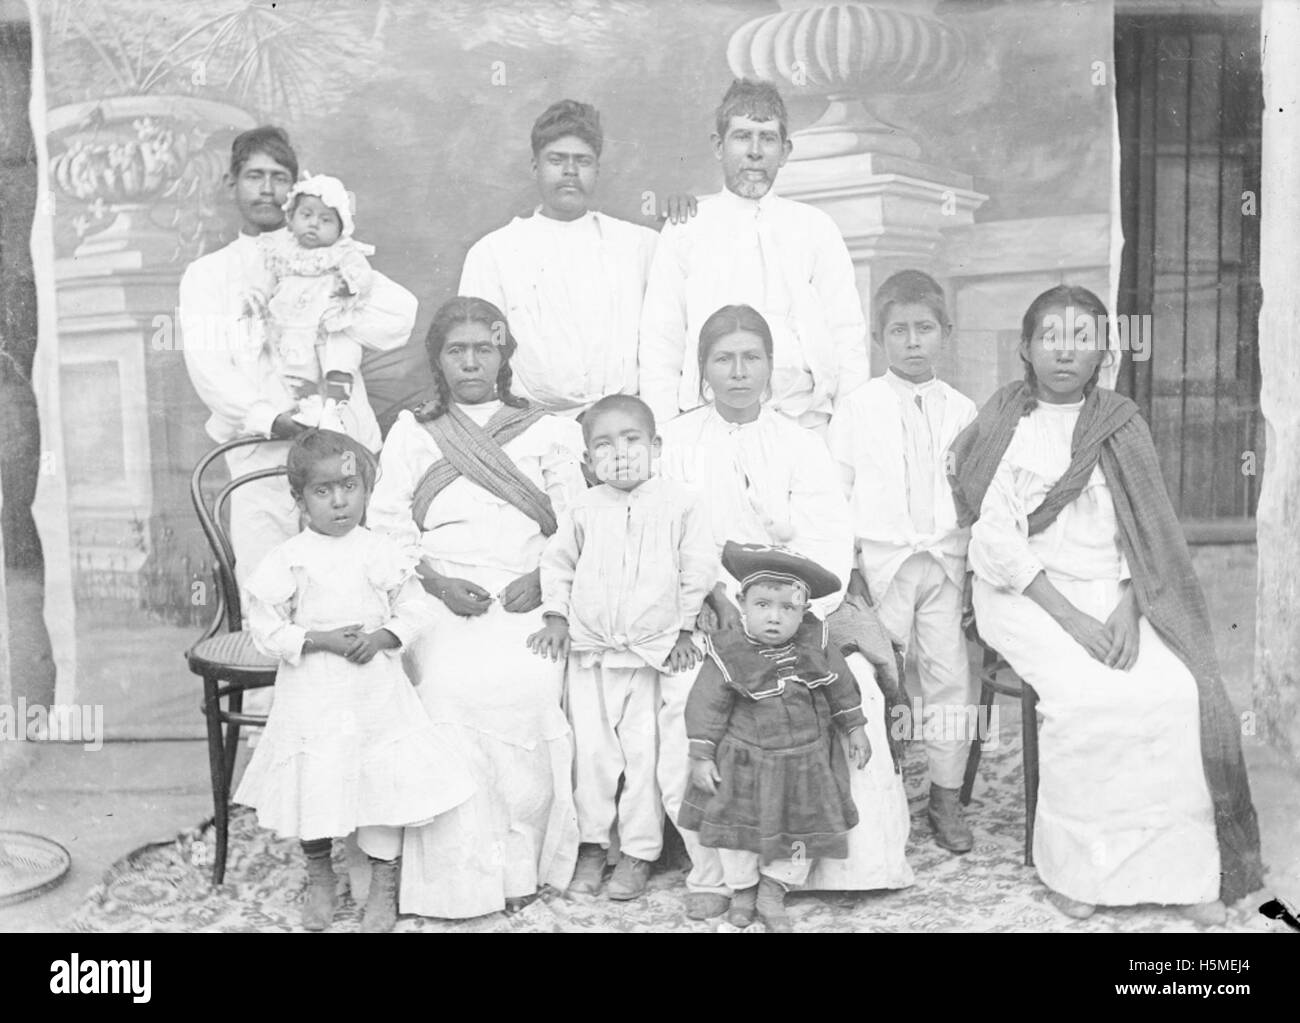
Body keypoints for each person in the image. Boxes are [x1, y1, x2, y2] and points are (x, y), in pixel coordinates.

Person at [951, 284, 1263, 923]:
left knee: (1178, 694)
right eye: (1051, 337)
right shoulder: (1003, 420)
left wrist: (1129, 604)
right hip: (1023, 592)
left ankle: (1182, 876)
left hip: (1116, 588)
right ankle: (1079, 873)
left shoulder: (1121, 420)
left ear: (1103, 353)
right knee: (1091, 699)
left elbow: (1141, 529)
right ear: (1026, 349)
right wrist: (1070, 620)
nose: (1066, 350)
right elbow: (994, 538)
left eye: (1082, 337)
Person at [658, 303, 913, 921]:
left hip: (797, 609)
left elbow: (827, 542)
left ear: (770, 368)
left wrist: (790, 610)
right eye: (724, 359)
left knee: (853, 701)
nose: (739, 372)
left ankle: (830, 868)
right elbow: (666, 536)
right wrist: (710, 598)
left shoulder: (800, 444)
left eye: (752, 359)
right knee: (681, 699)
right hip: (708, 616)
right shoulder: (677, 442)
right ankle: (717, 871)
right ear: (703, 370)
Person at [367, 296, 586, 918]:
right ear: (438, 359)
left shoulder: (548, 428)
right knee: (446, 688)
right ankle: (451, 881)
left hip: (528, 594)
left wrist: (542, 581)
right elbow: (387, 527)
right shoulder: (414, 430)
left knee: (530, 683)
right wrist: (435, 585)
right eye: (456, 351)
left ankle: (518, 867)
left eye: (483, 349)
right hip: (439, 594)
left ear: (503, 353)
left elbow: (575, 525)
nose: (470, 362)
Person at [233, 429, 473, 932]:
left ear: (366, 489)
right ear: (299, 500)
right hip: (314, 690)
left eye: (350, 487)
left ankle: (383, 885)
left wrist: (384, 636)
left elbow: (413, 606)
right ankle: (320, 874)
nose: (340, 502)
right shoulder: (289, 557)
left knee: (381, 781)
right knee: (316, 777)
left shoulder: (379, 550)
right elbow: (265, 629)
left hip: (373, 693)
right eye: (323, 492)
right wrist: (319, 639)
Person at [180, 127, 417, 592]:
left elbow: (398, 322)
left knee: (351, 589)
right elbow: (209, 370)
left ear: (297, 190)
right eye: (254, 176)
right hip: (260, 456)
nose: (267, 188)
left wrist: (331, 293)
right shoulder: (210, 274)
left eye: (279, 177)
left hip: (337, 449)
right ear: (232, 183)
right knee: (269, 591)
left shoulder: (332, 257)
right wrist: (272, 419)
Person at [527, 394, 716, 901]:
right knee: (590, 757)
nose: (621, 453)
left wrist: (682, 630)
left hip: (653, 656)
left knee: (644, 757)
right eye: (604, 445)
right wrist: (555, 618)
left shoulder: (682, 504)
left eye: (632, 440)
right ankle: (591, 847)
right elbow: (559, 564)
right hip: (592, 654)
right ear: (588, 461)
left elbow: (697, 570)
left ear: (656, 446)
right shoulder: (583, 509)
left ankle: (638, 852)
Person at [828, 270, 978, 853]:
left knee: (948, 679)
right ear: (877, 338)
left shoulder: (964, 411)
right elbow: (836, 495)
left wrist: (969, 569)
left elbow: (974, 493)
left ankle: (944, 797)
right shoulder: (858, 408)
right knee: (880, 678)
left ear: (946, 332)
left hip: (942, 564)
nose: (912, 341)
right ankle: (882, 798)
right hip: (882, 566)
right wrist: (848, 568)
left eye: (924, 328)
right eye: (898, 330)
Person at [639, 78, 869, 432]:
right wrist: (667, 432)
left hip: (804, 421)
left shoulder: (815, 228)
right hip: (708, 423)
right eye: (743, 136)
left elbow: (847, 336)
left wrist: (849, 433)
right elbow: (661, 341)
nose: (755, 152)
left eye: (768, 138)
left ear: (786, 151)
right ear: (718, 146)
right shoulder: (686, 228)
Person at [681, 542, 871, 933]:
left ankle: (774, 888)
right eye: (763, 605)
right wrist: (702, 754)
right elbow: (706, 705)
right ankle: (744, 890)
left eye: (788, 608)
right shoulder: (727, 651)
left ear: (804, 612)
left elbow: (841, 686)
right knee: (738, 838)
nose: (774, 617)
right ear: (742, 604)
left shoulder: (815, 644)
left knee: (800, 838)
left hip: (804, 765)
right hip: (745, 765)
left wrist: (855, 727)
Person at [459, 100, 658, 415]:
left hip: (622, 421)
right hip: (531, 421)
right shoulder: (493, 253)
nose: (569, 171)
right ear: (535, 167)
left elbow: (663, 343)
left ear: (597, 170)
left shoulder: (638, 245)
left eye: (582, 161)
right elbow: (478, 354)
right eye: (556, 160)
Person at [243, 173, 386, 448]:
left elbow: (363, 277)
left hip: (332, 323)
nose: (314, 224)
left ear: (340, 227)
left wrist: (349, 285)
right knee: (298, 369)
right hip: (295, 326)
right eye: (306, 214)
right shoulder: (281, 252)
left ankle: (334, 407)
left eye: (326, 220)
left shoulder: (343, 253)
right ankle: (310, 407)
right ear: (291, 217)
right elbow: (265, 281)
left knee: (341, 362)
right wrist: (257, 298)